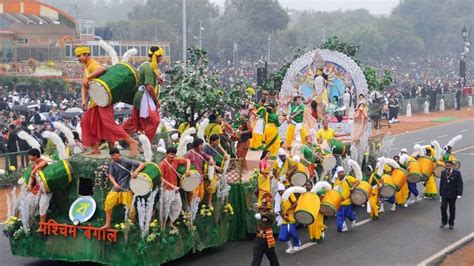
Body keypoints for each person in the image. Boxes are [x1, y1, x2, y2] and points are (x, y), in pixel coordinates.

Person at [75, 46, 138, 156]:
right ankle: (95, 149)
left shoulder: (92, 64)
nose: (78, 58)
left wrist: (88, 77)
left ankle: (132, 142)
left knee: (109, 124)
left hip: (103, 102)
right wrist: (84, 100)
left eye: (79, 56)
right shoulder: (86, 67)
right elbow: (85, 85)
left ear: (86, 55)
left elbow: (102, 69)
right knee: (85, 123)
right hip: (95, 102)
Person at [122, 46, 164, 143]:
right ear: (157, 56)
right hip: (143, 97)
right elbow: (149, 86)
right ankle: (146, 144)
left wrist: (158, 78)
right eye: (161, 56)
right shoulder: (149, 67)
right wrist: (156, 101)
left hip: (140, 97)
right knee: (154, 121)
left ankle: (116, 136)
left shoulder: (149, 65)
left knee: (134, 121)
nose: (162, 58)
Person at [101, 148, 145, 229]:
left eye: (114, 155)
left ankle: (133, 224)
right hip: (116, 188)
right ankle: (107, 224)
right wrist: (115, 184)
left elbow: (142, 164)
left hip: (126, 188)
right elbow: (110, 175)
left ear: (118, 154)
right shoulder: (112, 163)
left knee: (130, 208)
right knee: (108, 204)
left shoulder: (126, 161)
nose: (113, 157)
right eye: (111, 156)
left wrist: (136, 172)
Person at [159, 147, 191, 231]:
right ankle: (162, 226)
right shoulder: (162, 164)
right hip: (167, 189)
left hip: (175, 189)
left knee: (178, 206)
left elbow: (188, 160)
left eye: (173, 154)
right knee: (166, 208)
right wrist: (170, 185)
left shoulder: (176, 160)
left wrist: (187, 170)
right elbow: (161, 178)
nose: (172, 156)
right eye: (170, 154)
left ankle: (170, 223)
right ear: (166, 154)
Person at [184, 138, 215, 207]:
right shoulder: (189, 153)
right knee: (193, 194)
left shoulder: (201, 153)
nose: (202, 146)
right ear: (197, 145)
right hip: (192, 177)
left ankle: (195, 208)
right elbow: (184, 163)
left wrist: (211, 160)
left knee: (201, 194)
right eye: (201, 144)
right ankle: (190, 209)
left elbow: (209, 157)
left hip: (200, 177)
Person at [251, 192, 279, 266]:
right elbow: (256, 206)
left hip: (267, 239)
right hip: (258, 238)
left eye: (265, 203)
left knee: (273, 259)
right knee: (256, 260)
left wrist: (261, 214)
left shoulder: (270, 213)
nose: (263, 205)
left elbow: (271, 215)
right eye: (263, 203)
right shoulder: (260, 209)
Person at [203, 134, 228, 208]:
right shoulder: (206, 148)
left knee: (212, 185)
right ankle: (204, 202)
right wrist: (216, 167)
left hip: (212, 167)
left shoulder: (216, 146)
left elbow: (224, 153)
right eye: (216, 141)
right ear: (211, 141)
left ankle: (209, 202)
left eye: (218, 141)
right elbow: (205, 160)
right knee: (207, 185)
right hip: (206, 167)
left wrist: (225, 153)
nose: (218, 142)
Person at [25, 148, 50, 223]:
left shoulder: (43, 161)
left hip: (46, 189)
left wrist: (34, 170)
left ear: (35, 156)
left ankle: (42, 226)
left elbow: (44, 163)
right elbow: (32, 176)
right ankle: (32, 221)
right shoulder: (34, 164)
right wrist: (29, 185)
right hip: (37, 189)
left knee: (42, 207)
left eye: (30, 156)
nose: (28, 157)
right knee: (28, 201)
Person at [333, 166, 359, 232]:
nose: (341, 173)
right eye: (339, 172)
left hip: (348, 202)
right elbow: (334, 191)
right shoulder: (336, 181)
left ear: (344, 173)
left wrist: (353, 187)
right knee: (340, 217)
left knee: (349, 214)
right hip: (340, 203)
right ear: (337, 174)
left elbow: (357, 182)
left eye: (342, 172)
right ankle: (342, 227)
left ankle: (353, 219)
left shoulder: (348, 178)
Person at [439, 160, 463, 229]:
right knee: (443, 207)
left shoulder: (457, 173)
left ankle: (451, 223)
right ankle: (444, 222)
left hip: (453, 194)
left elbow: (460, 183)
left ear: (452, 165)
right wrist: (440, 194)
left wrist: (459, 193)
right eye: (446, 165)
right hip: (444, 194)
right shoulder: (443, 173)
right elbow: (441, 184)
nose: (448, 167)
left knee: (452, 209)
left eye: (449, 165)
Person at [277, 187, 301, 253]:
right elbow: (279, 210)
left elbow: (295, 203)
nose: (281, 192)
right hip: (284, 218)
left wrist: (288, 210)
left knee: (291, 231)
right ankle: (290, 247)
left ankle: (297, 243)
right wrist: (284, 217)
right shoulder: (280, 199)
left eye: (281, 191)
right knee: (283, 235)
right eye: (279, 191)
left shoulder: (290, 194)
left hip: (291, 217)